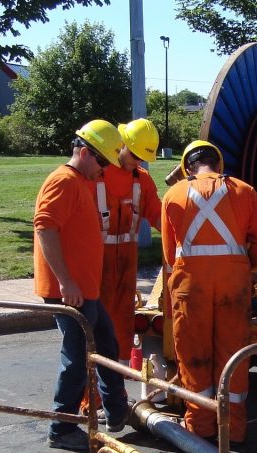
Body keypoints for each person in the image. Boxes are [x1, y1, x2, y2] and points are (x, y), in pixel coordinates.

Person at [160, 140, 257, 443]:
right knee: (233, 355)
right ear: (218, 164)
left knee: (194, 356)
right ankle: (233, 430)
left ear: (187, 167)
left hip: (189, 286)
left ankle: (199, 429)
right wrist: (239, 265)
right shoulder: (244, 191)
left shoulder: (173, 194)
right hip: (233, 285)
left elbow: (170, 254)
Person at [33, 119, 130, 452]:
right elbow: (45, 229)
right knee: (77, 359)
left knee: (106, 344)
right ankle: (62, 428)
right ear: (85, 152)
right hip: (71, 291)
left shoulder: (80, 181)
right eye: (101, 162)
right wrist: (66, 282)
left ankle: (116, 411)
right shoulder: (63, 181)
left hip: (84, 290)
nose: (103, 170)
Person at [97, 118, 163, 364]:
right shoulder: (96, 174)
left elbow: (158, 216)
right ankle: (88, 397)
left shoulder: (142, 180)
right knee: (93, 330)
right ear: (120, 144)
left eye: (141, 158)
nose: (136, 161)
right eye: (133, 154)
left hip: (125, 267)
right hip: (96, 267)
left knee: (123, 325)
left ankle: (118, 387)